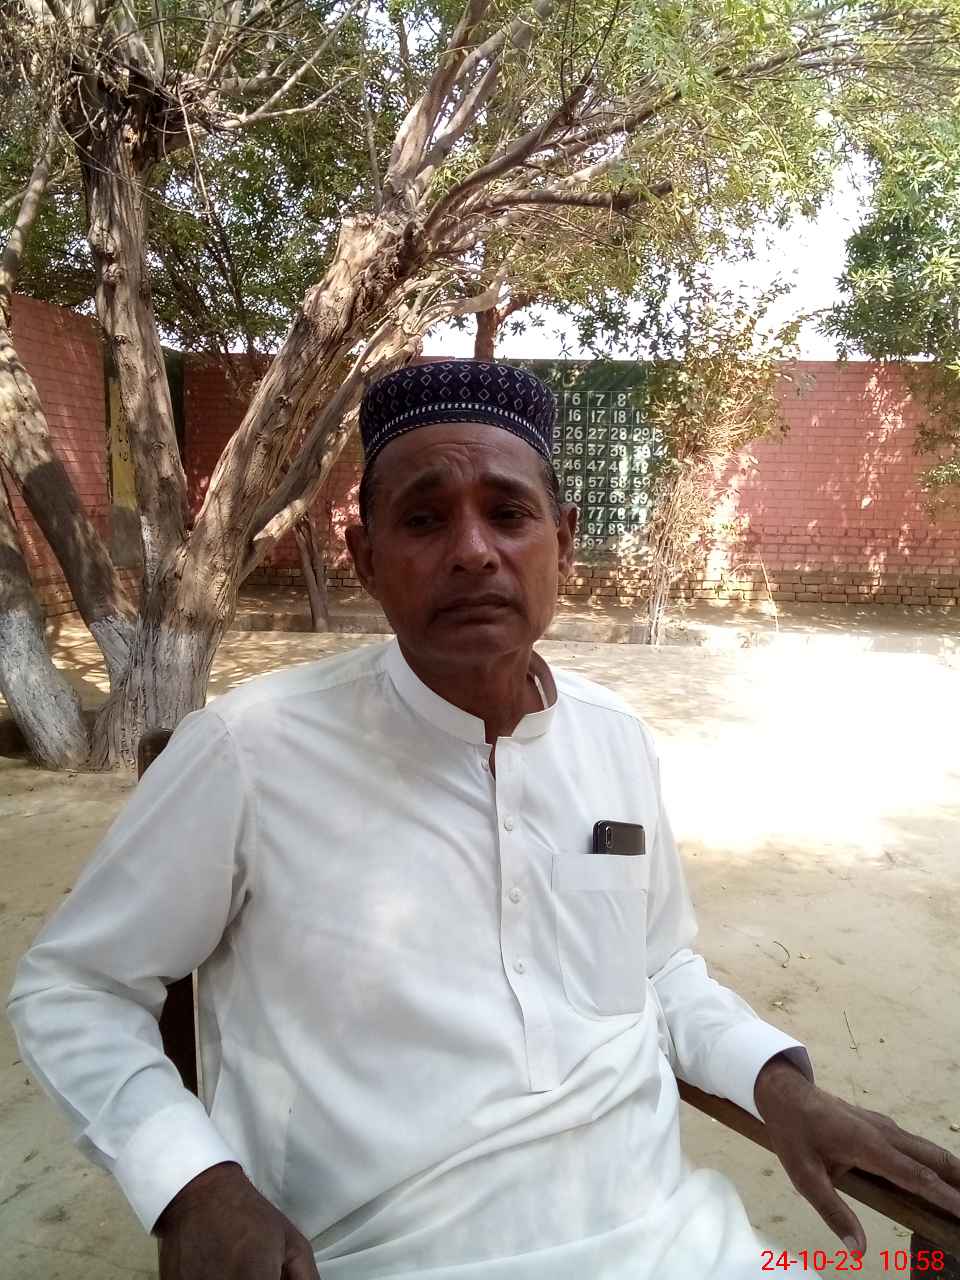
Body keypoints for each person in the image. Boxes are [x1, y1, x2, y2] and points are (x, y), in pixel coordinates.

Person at [8, 360, 960, 1280]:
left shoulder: (616, 741)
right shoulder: (248, 753)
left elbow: (659, 968)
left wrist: (778, 1084)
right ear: (366, 559)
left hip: (677, 1242)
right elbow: (75, 987)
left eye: (509, 514)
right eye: (424, 519)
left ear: (564, 542)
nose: (472, 551)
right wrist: (192, 1185)